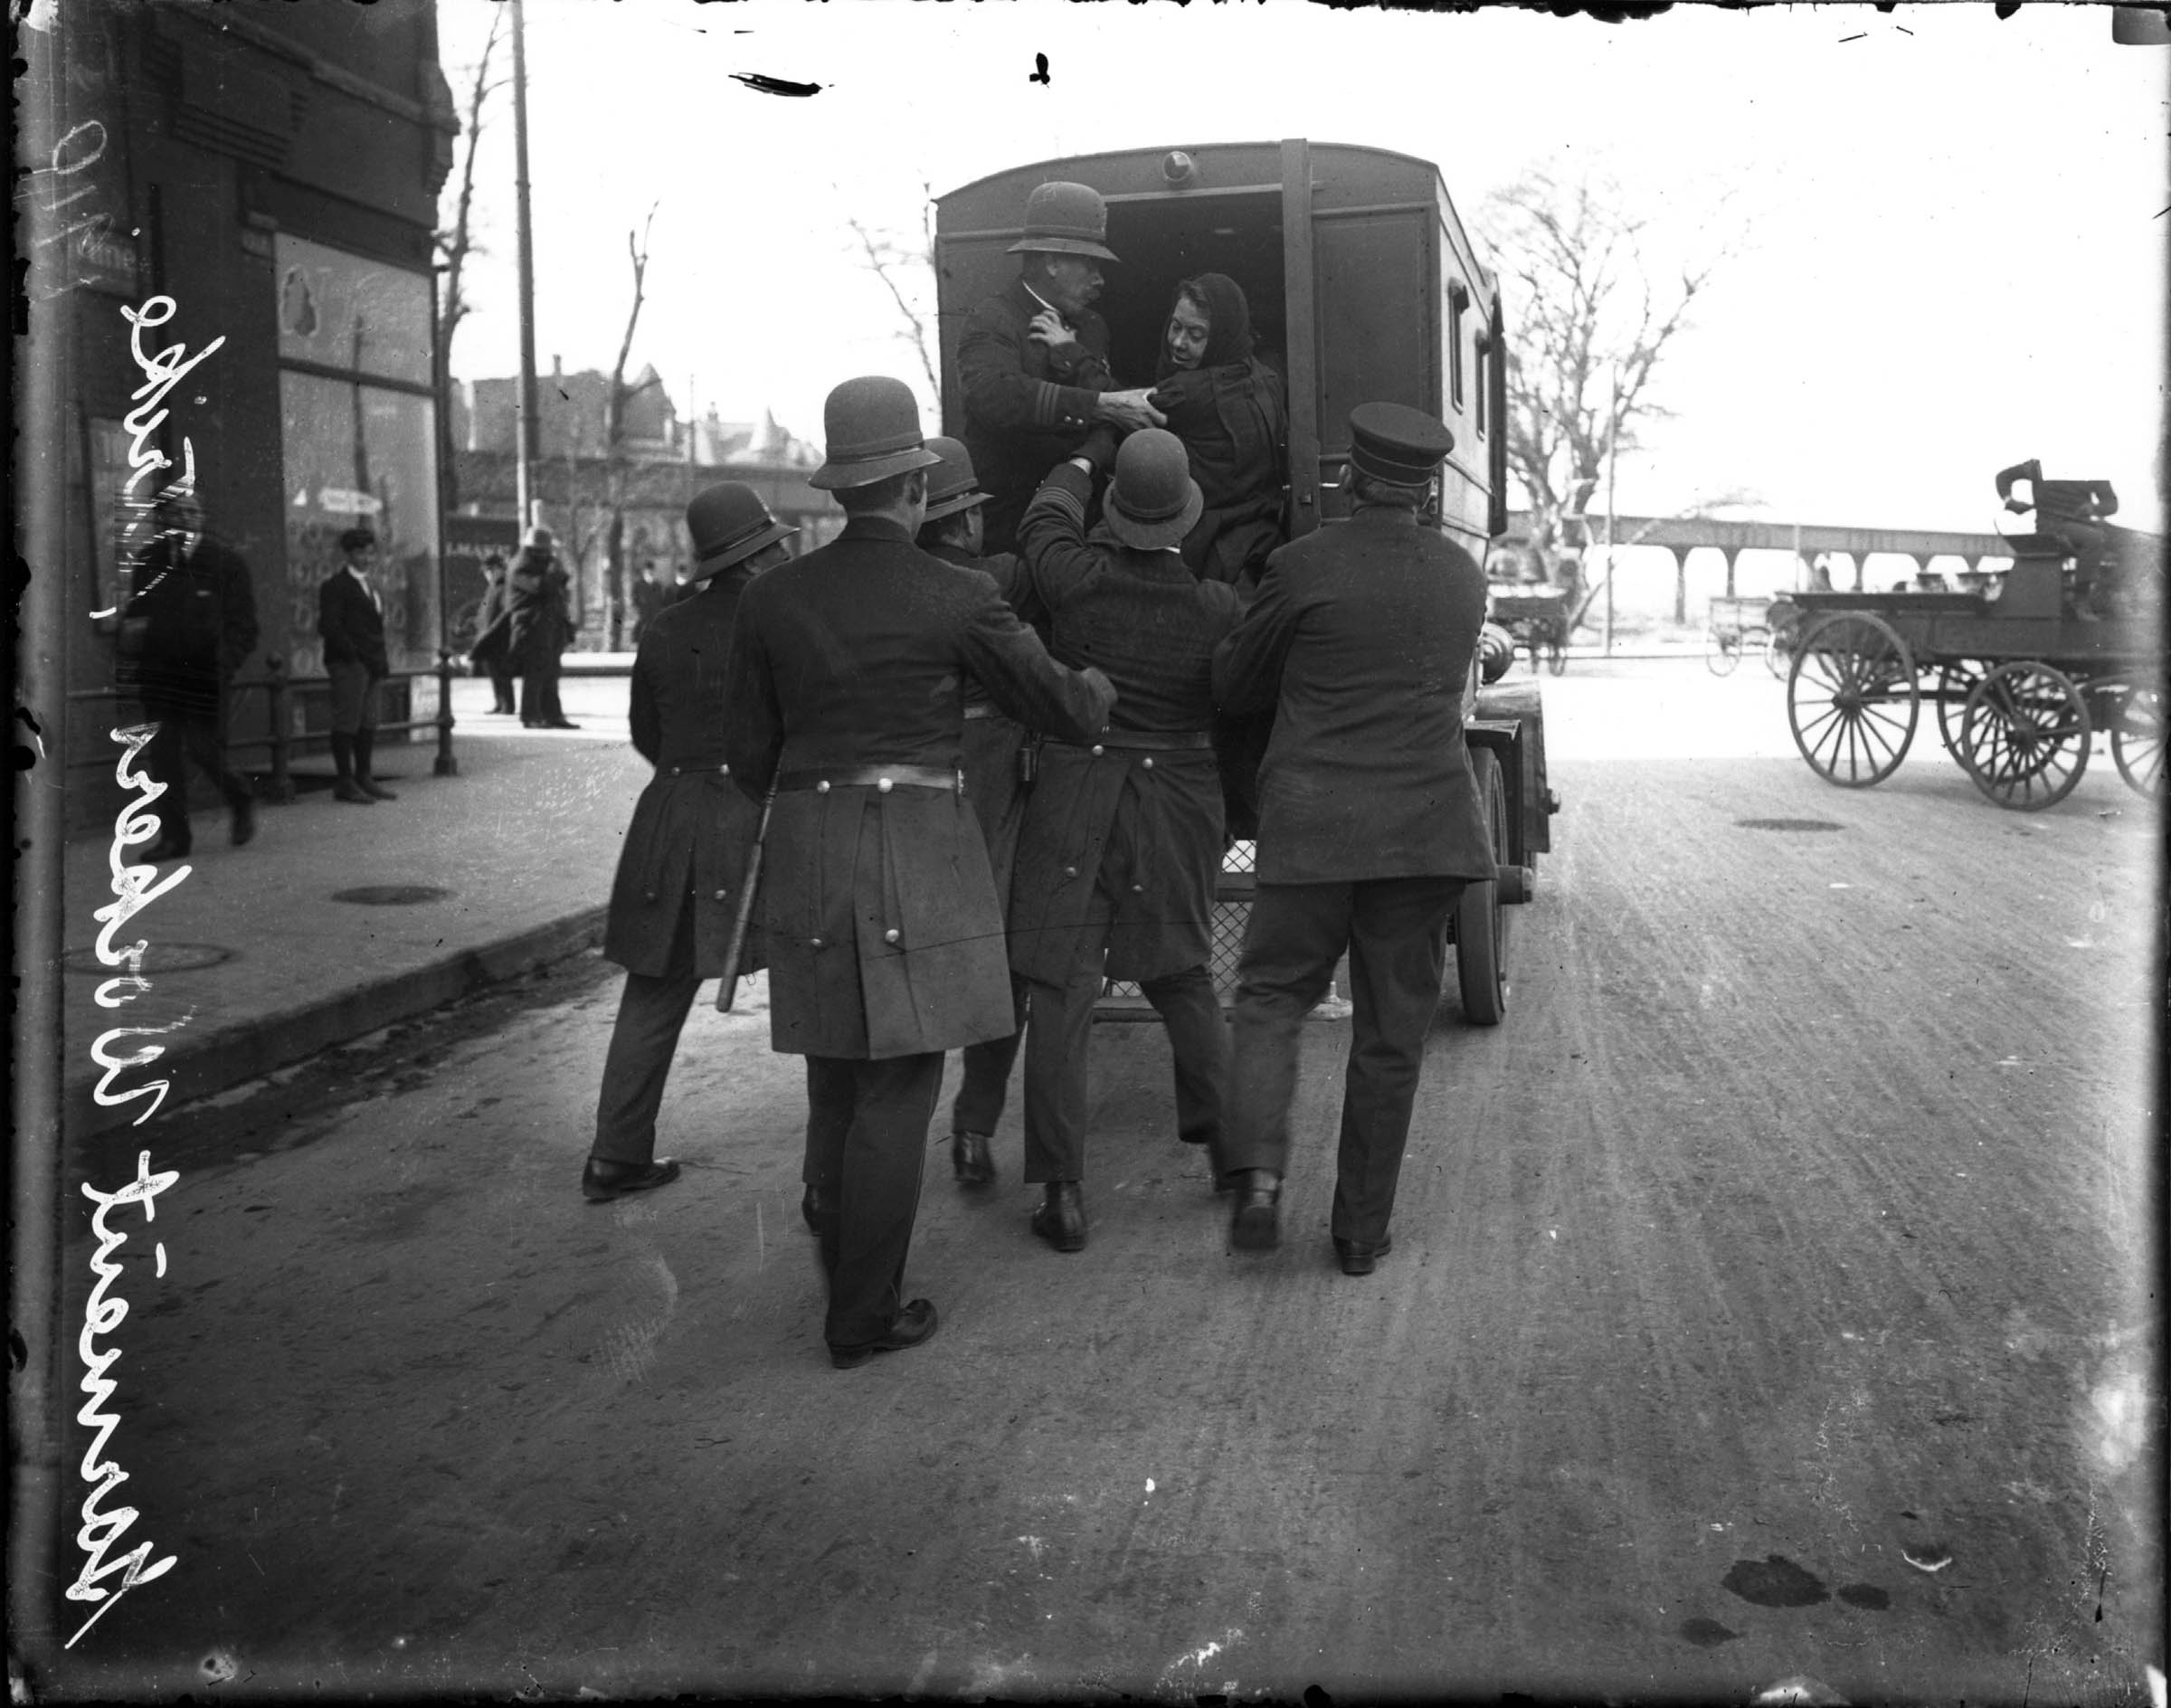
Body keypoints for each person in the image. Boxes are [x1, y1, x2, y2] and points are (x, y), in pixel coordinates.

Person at [722, 375, 1116, 1371]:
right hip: (918, 846)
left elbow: (747, 759)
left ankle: (833, 1217)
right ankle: (862, 1312)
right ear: (912, 486)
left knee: (834, 1068)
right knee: (901, 1079)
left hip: (807, 843)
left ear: (842, 485)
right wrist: (1099, 683)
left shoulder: (772, 598)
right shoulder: (960, 595)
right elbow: (1061, 707)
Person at [1210, 403, 1495, 1275]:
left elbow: (1235, 685)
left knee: (1269, 1001)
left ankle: (1258, 1180)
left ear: (1349, 480)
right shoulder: (1462, 578)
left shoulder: (1300, 567)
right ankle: (1360, 1234)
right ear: (1428, 491)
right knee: (1390, 1035)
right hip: (1423, 835)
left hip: (1313, 828)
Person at [1010, 428, 1242, 1252]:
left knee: (1061, 994)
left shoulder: (1077, 583)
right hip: (1175, 804)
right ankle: (1233, 1158)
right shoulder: (1218, 608)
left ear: (1115, 510)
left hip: (1079, 798)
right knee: (1183, 977)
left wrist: (1080, 459)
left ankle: (1063, 1195)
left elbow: (1042, 525)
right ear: (1185, 516)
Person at [583, 484, 800, 1203]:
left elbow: (647, 731)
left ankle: (615, 1155)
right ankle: (832, 1176)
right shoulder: (781, 616)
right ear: (759, 552)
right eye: (777, 542)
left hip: (669, 815)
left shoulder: (665, 628)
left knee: (653, 988)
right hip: (756, 814)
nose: (787, 551)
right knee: (818, 971)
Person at [913, 437, 1043, 1189]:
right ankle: (973, 1126)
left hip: (915, 788)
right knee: (1004, 968)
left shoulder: (892, 584)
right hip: (993, 782)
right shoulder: (997, 579)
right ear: (961, 522)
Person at [957, 179, 1165, 555]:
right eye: (1090, 265)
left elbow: (1114, 407)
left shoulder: (1092, 326)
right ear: (1051, 262)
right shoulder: (992, 318)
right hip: (1016, 533)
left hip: (1084, 527)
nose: (1100, 281)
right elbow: (993, 396)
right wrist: (1101, 405)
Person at [119, 488, 261, 859]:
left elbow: (245, 625)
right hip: (160, 677)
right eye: (176, 513)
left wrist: (223, 663)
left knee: (203, 750)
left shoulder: (225, 562)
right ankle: (175, 839)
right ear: (163, 520)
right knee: (163, 758)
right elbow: (137, 616)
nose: (183, 519)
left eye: (191, 512)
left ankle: (240, 796)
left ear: (201, 519)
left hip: (204, 677)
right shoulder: (149, 560)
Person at [1146, 272, 1289, 587]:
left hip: (1210, 557)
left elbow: (1125, 404)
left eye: (1196, 334)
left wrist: (1070, 353)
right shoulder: (1267, 378)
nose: (1179, 343)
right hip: (1261, 544)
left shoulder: (1188, 391)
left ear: (1222, 335)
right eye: (1176, 326)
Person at [317, 525, 397, 804]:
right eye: (361, 552)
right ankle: (345, 781)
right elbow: (329, 626)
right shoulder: (335, 586)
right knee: (347, 721)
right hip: (349, 664)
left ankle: (364, 777)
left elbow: (375, 629)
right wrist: (353, 656)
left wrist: (379, 662)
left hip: (371, 665)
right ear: (348, 554)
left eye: (370, 552)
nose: (367, 557)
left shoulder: (371, 585)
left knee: (368, 721)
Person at [507, 525, 578, 729]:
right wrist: (553, 572)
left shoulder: (545, 565)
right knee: (535, 674)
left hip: (550, 628)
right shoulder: (520, 567)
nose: (546, 555)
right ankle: (530, 715)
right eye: (542, 551)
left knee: (552, 673)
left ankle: (553, 715)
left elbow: (561, 582)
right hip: (531, 629)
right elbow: (540, 587)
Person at [469, 555, 517, 714]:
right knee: (493, 671)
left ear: (495, 569)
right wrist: (475, 621)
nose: (486, 574)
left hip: (497, 636)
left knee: (501, 672)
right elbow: (483, 608)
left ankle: (507, 705)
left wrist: (490, 628)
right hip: (489, 635)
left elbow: (505, 611)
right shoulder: (492, 587)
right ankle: (499, 703)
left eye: (488, 571)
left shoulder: (502, 586)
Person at [630, 561, 669, 643]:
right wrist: (638, 610)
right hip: (643, 615)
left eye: (651, 570)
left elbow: (662, 600)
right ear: (644, 571)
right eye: (647, 570)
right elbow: (634, 599)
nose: (650, 572)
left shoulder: (658, 585)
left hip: (655, 615)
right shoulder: (638, 585)